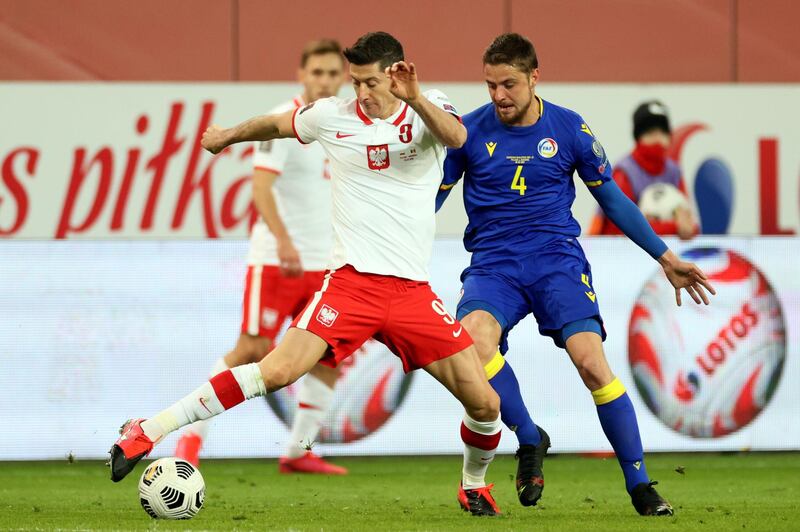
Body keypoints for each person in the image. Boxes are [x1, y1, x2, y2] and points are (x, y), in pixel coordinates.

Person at [109, 31, 504, 517]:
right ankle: (147, 430)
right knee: (274, 370)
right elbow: (274, 125)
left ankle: (473, 484)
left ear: (396, 73)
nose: (360, 93)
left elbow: (458, 139)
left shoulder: (429, 106)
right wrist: (228, 135)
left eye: (369, 82)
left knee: (486, 406)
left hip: (411, 294)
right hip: (351, 285)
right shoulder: (330, 117)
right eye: (355, 82)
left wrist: (416, 98)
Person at [437, 33, 715, 516]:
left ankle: (640, 485)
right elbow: (430, 201)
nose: (498, 96)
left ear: (534, 77)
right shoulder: (467, 132)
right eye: (490, 85)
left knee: (591, 362)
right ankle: (529, 437)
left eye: (508, 84)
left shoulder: (569, 129)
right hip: (494, 266)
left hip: (556, 262)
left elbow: (610, 198)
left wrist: (665, 256)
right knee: (471, 344)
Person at [173, 39, 348, 475]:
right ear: (301, 76)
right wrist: (285, 241)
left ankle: (298, 449)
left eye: (332, 73)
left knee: (330, 356)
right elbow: (260, 188)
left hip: (328, 265)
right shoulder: (284, 122)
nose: (324, 80)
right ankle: (190, 437)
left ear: (344, 77)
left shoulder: (347, 122)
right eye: (317, 72)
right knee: (251, 350)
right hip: (277, 261)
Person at [588, 100, 697, 239]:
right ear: (638, 137)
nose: (658, 139)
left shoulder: (674, 172)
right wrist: (674, 227)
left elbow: (691, 225)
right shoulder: (624, 172)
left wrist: (683, 227)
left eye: (662, 132)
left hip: (667, 254)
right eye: (650, 132)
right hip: (622, 254)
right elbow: (619, 230)